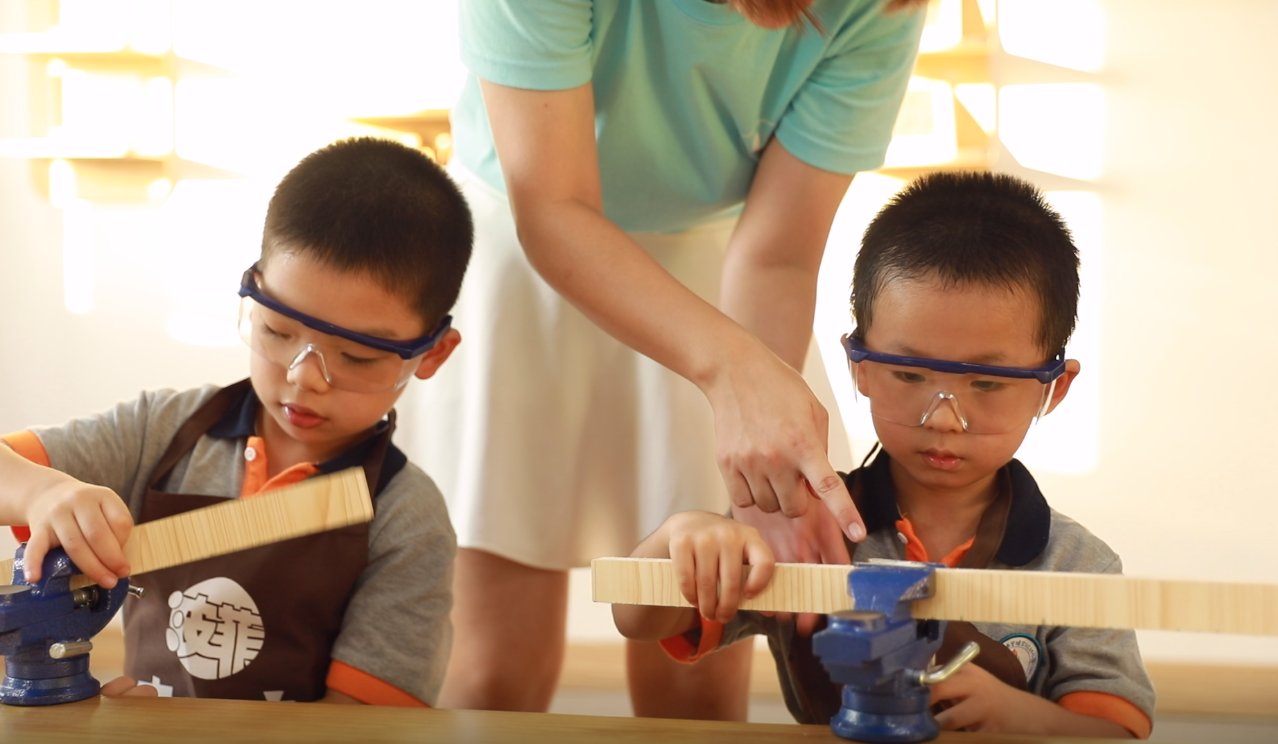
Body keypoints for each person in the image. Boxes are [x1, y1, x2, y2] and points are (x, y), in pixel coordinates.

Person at [395, 0, 929, 716]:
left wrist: (761, 455)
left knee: (697, 666)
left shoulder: (879, 5)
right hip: (525, 251)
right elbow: (551, 208)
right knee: (496, 673)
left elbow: (777, 254)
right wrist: (731, 371)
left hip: (720, 280)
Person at [613, 171, 1157, 737]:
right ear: (859, 367)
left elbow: (1117, 732)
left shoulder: (1078, 565)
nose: (944, 418)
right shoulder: (804, 527)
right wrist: (683, 536)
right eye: (909, 373)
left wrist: (1015, 716)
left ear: (1055, 388)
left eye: (988, 384)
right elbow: (638, 618)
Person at [0, 137, 472, 706]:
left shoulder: (405, 518)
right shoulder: (162, 431)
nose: (306, 378)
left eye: (358, 357)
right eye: (277, 332)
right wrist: (42, 490)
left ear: (433, 355)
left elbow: (364, 728)